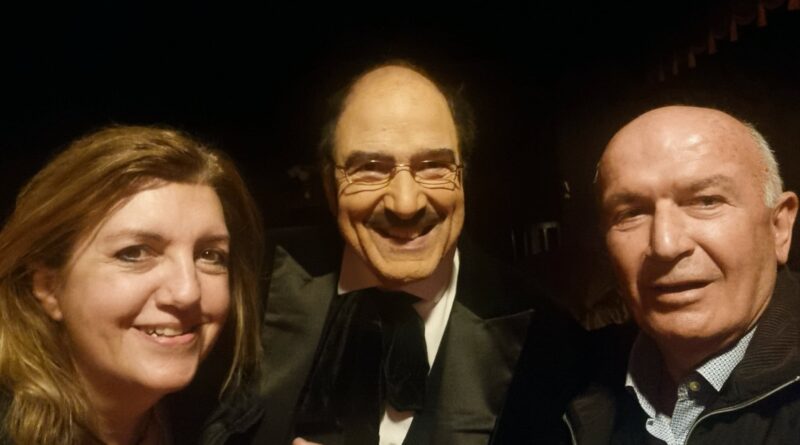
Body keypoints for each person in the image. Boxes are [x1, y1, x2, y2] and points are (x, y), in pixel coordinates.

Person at [202, 61, 586, 445]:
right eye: (370, 168)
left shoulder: (549, 340)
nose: (406, 203)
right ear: (329, 185)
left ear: (463, 178)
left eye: (434, 166)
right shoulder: (249, 283)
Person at [0, 126, 264, 445]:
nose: (188, 292)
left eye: (209, 255)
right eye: (134, 253)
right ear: (48, 287)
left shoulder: (222, 413)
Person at [566, 105, 800, 444]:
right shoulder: (565, 381)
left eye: (706, 201)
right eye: (631, 213)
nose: (665, 245)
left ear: (779, 227)